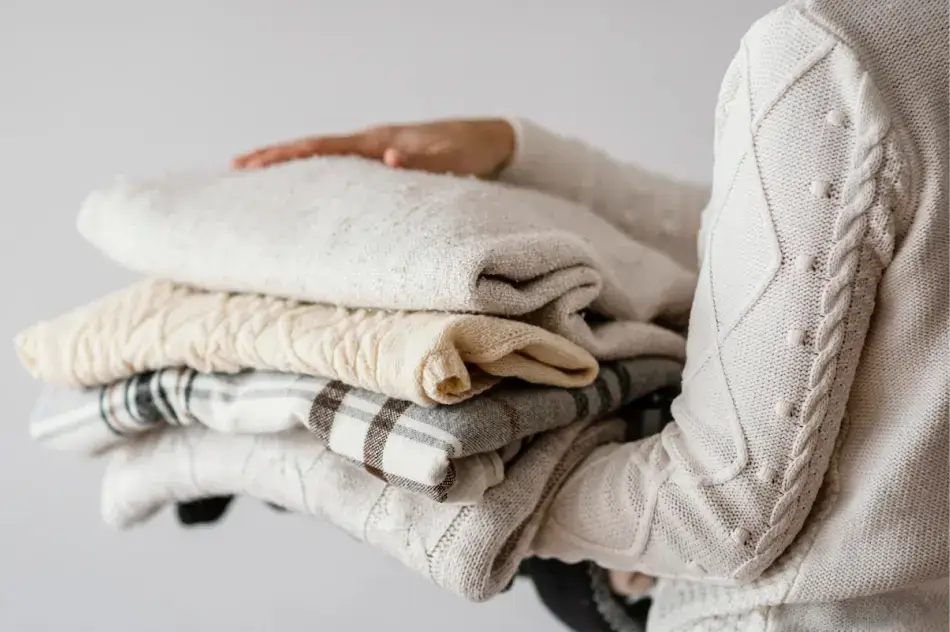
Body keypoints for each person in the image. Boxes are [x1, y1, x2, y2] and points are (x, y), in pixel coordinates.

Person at [233, 0, 948, 629]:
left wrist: (366, 469)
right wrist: (519, 152)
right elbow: (840, 243)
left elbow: (716, 515)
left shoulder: (834, 54)